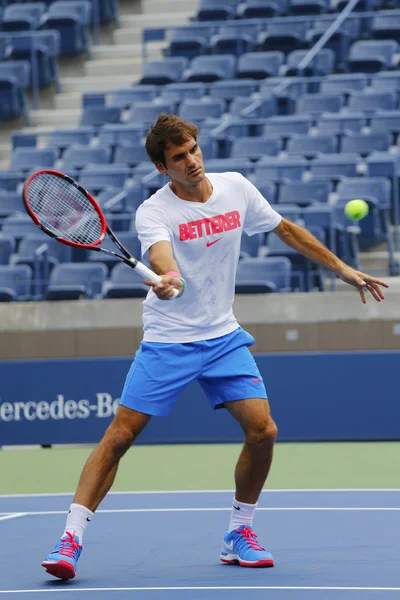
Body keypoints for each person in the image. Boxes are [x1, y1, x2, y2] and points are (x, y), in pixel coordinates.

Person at [42, 114, 388, 580]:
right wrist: (169, 279)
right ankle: (70, 540)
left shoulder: (236, 188)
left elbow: (285, 229)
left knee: (263, 431)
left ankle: (238, 532)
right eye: (178, 158)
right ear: (163, 168)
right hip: (168, 340)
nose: (191, 162)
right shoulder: (155, 211)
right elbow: (162, 257)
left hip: (222, 337)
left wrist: (343, 269)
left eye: (193, 150)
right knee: (120, 436)